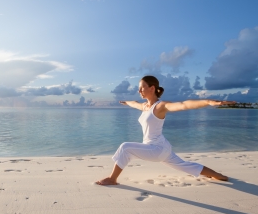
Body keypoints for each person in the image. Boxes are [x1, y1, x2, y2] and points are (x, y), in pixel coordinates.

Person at [96, 75, 233, 186]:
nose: (139, 91)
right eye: (138, 89)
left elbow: (183, 105)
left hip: (156, 149)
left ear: (152, 88)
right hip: (161, 147)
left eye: (142, 88)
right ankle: (218, 175)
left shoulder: (160, 106)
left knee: (125, 147)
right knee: (185, 165)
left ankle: (112, 179)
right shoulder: (145, 106)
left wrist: (208, 102)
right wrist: (126, 102)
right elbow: (134, 103)